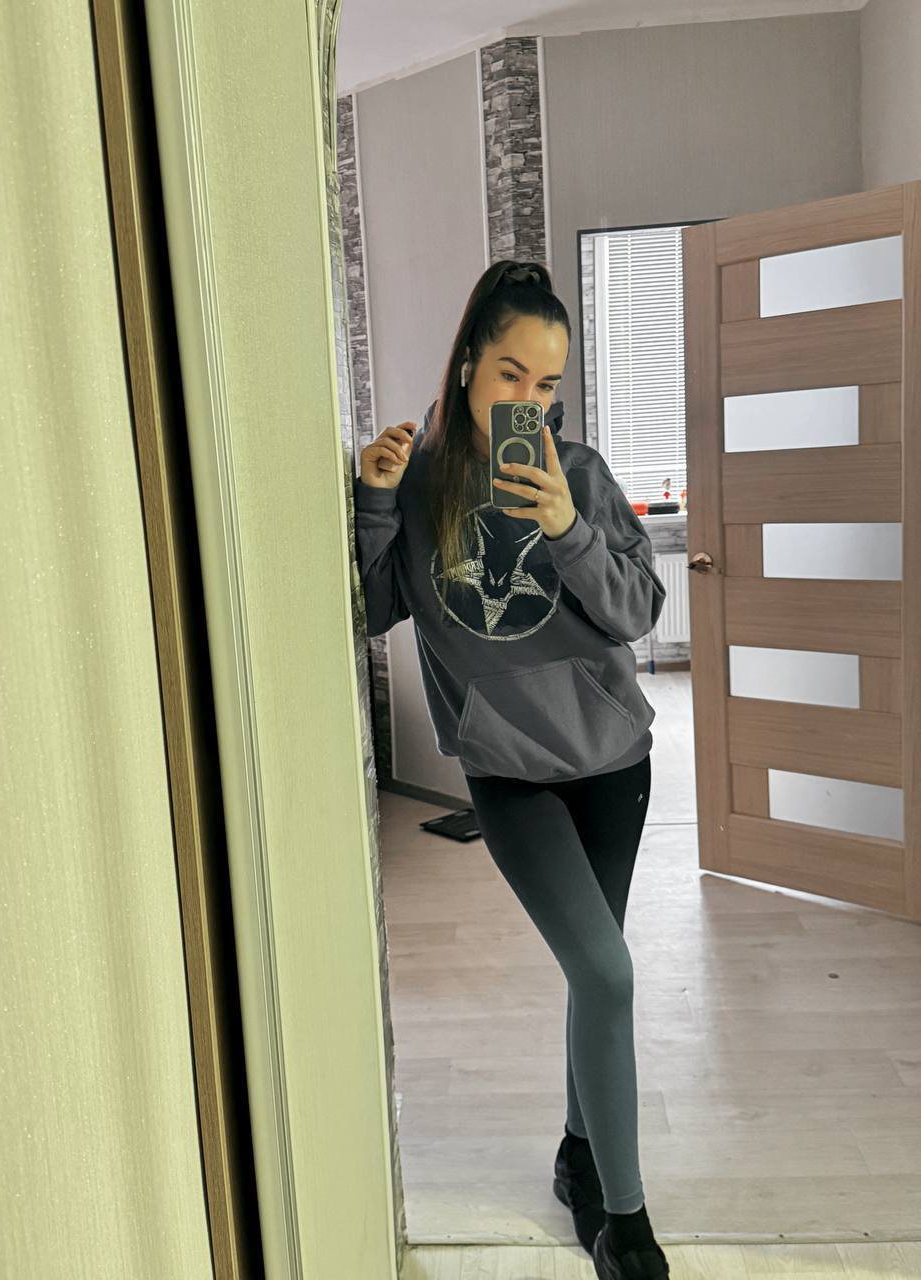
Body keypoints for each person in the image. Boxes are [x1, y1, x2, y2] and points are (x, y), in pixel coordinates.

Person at [352, 259, 670, 1280]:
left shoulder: (577, 473)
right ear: (466, 365)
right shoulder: (418, 486)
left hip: (614, 761)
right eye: (510, 374)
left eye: (547, 382)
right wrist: (373, 502)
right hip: (510, 774)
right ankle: (627, 1226)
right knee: (608, 970)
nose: (529, 398)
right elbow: (370, 612)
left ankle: (579, 1156)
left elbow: (637, 611)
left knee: (594, 973)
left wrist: (568, 530)